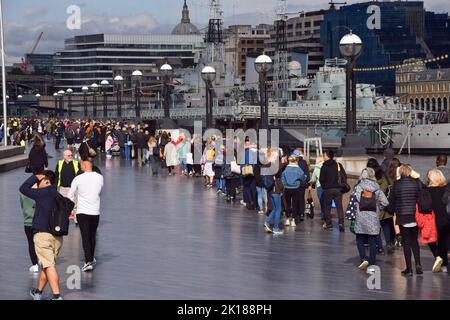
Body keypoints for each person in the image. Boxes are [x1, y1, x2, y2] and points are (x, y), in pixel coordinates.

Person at [19, 171, 64, 300]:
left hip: (43, 235)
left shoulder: (42, 193)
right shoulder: (57, 194)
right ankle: (38, 292)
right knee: (47, 265)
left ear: (44, 180)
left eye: (39, 182)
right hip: (58, 237)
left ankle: (57, 296)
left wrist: (34, 177)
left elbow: (23, 188)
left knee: (49, 266)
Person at [67, 159, 104, 272]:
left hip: (82, 211)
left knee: (85, 237)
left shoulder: (78, 178)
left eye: (80, 165)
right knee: (92, 236)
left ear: (84, 165)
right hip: (95, 211)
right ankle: (91, 257)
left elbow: (70, 195)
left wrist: (70, 209)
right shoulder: (99, 177)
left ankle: (88, 261)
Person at [388, 164, 422, 276]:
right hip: (415, 216)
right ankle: (418, 264)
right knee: (414, 242)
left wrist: (389, 210)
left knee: (406, 243)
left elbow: (392, 202)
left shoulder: (396, 185)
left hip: (402, 216)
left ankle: (409, 269)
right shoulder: (417, 183)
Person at [353, 168, 389, 273]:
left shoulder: (359, 187)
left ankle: (363, 258)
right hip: (373, 216)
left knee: (359, 237)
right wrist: (379, 208)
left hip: (361, 216)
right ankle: (372, 262)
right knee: (373, 239)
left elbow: (356, 199)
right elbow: (385, 202)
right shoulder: (377, 188)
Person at [366, 158, 395, 254]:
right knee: (386, 226)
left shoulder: (368, 178)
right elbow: (391, 185)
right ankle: (389, 243)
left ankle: (380, 247)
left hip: (374, 206)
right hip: (385, 205)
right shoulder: (384, 175)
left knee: (376, 228)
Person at [427, 169, 450, 273]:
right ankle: (444, 264)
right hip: (445, 218)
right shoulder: (446, 189)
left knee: (430, 239)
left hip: (431, 219)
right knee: (443, 242)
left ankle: (437, 256)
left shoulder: (427, 191)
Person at [319, 149, 347, 232]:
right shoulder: (338, 165)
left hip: (328, 190)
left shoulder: (324, 166)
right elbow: (344, 176)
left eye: (324, 155)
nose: (323, 157)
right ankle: (341, 223)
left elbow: (321, 179)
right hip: (338, 189)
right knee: (339, 207)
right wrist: (341, 186)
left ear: (328, 156)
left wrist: (324, 187)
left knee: (327, 207)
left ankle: (329, 224)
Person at [282, 155, 307, 227]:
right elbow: (303, 178)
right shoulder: (298, 169)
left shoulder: (286, 168)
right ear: (296, 161)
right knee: (295, 204)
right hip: (296, 188)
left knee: (288, 204)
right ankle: (293, 220)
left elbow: (283, 177)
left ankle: (287, 219)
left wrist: (285, 184)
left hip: (287, 188)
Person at [20, 190, 39, 273]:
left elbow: (22, 206)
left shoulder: (23, 193)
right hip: (39, 222)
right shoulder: (40, 193)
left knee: (31, 243)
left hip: (27, 222)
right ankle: (43, 261)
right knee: (40, 242)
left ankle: (35, 265)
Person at [292, 149, 310, 221]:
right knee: (301, 198)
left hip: (294, 184)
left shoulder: (292, 163)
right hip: (302, 184)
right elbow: (307, 174)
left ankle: (296, 213)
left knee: (294, 199)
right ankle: (301, 213)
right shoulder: (304, 162)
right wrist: (305, 181)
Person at [310, 156, 325, 222]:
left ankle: (323, 214)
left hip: (320, 186)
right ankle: (327, 214)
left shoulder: (317, 168)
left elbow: (313, 179)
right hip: (328, 186)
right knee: (327, 201)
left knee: (322, 201)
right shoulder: (327, 166)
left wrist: (311, 182)